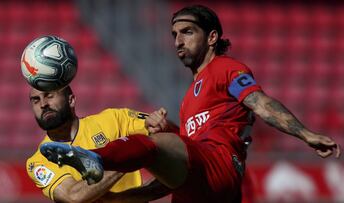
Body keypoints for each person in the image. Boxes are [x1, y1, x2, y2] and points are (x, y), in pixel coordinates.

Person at [40, 5, 341, 203]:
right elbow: (174, 175)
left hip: (220, 166)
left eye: (187, 32)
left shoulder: (226, 69)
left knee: (153, 142)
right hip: (196, 187)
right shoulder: (188, 100)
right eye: (173, 35)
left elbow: (260, 103)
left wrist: (306, 135)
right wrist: (122, 198)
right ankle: (93, 160)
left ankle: (90, 157)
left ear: (212, 37)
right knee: (158, 145)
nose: (177, 41)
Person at [26, 86, 168, 203]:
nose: (43, 104)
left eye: (49, 95)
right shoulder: (38, 161)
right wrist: (128, 156)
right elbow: (73, 196)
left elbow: (168, 136)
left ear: (71, 100)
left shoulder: (114, 119)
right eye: (35, 100)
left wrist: (159, 123)